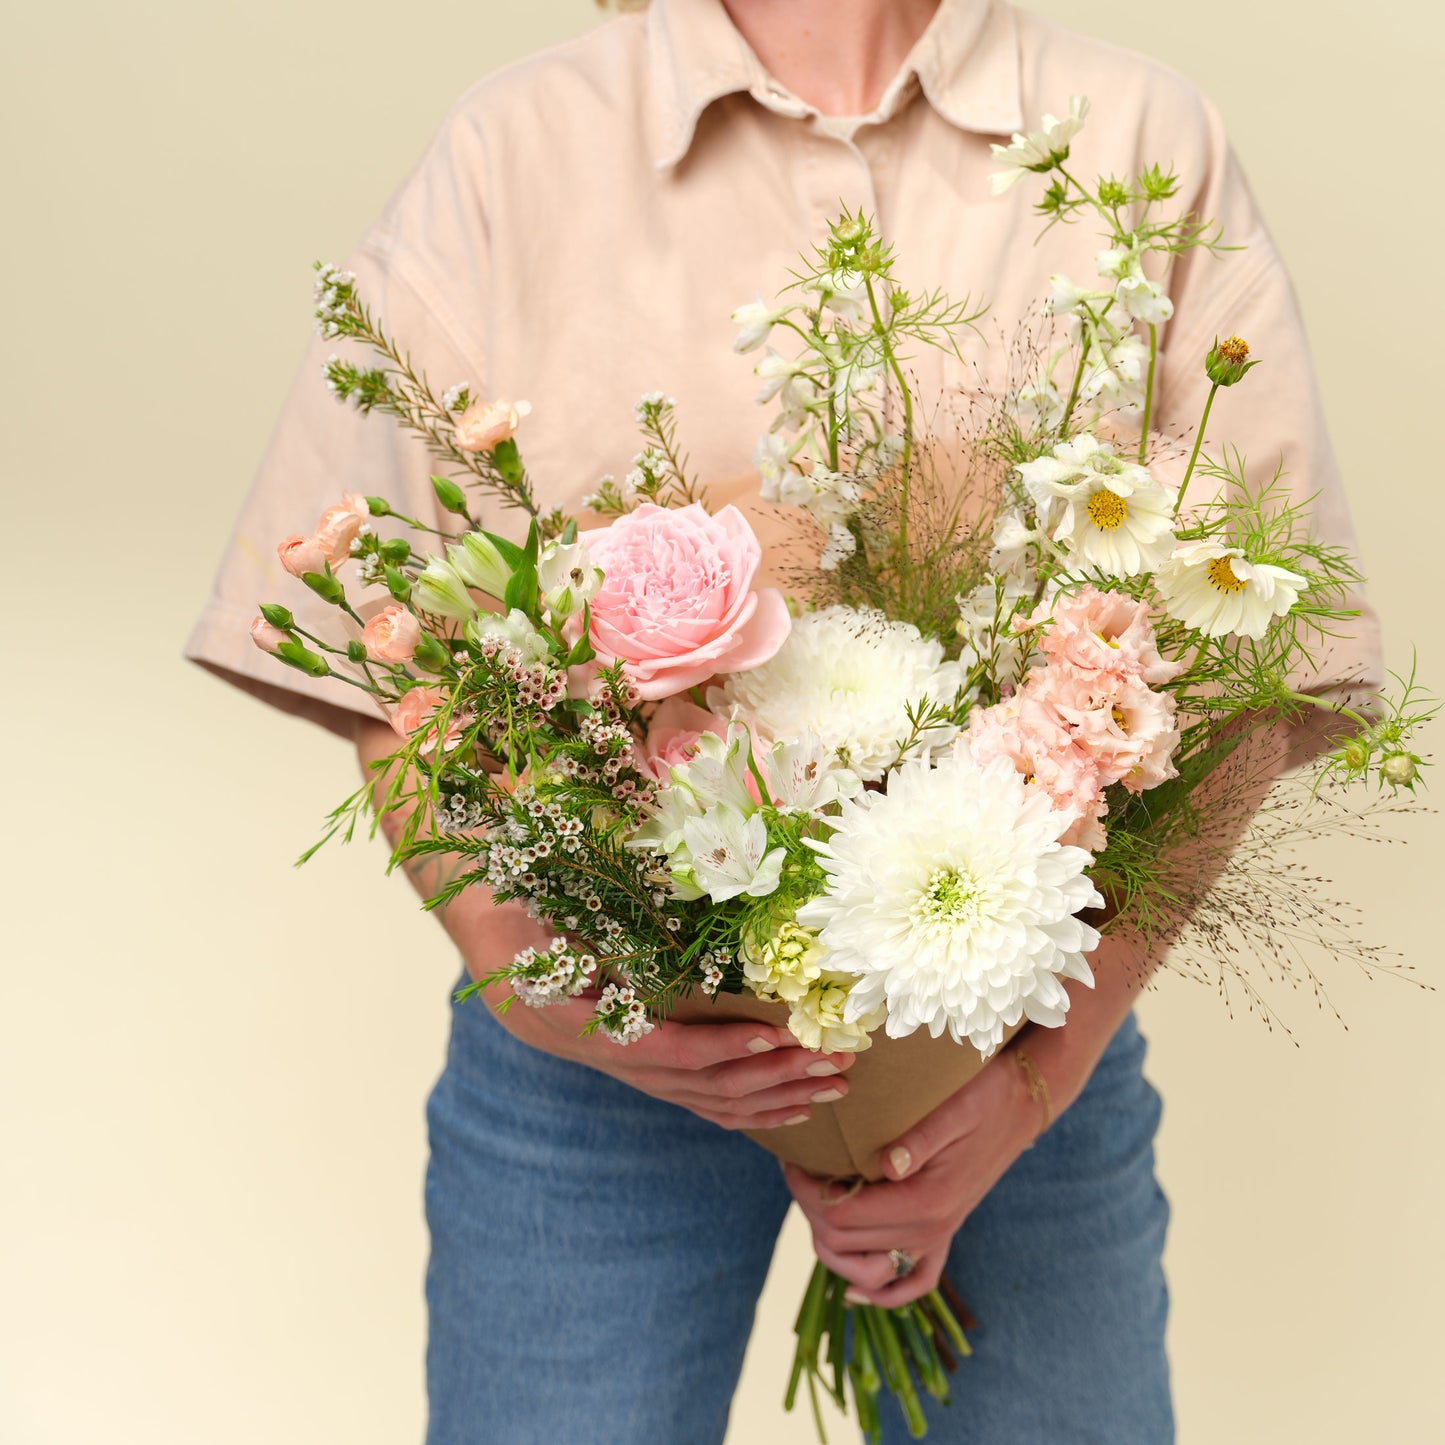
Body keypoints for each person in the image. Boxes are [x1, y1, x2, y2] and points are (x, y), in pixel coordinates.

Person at [186, 0, 1382, 1439]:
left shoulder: (1138, 140)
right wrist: (536, 982)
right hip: (594, 1061)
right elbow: (386, 655)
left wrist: (1029, 1088)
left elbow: (1252, 654)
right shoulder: (520, 148)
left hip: (1006, 1045)